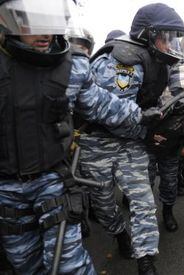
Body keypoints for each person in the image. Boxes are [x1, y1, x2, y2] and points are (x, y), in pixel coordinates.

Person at [0, 0, 150, 274]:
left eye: (51, 21)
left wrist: (144, 116)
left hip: (52, 181)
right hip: (6, 191)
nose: (45, 32)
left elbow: (104, 105)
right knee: (26, 266)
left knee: (70, 266)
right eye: (34, 21)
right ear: (10, 19)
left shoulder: (72, 68)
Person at [78, 3, 184, 274]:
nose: (171, 44)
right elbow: (105, 111)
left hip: (132, 144)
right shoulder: (121, 60)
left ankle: (146, 259)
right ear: (148, 35)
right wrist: (147, 125)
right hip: (98, 142)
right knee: (103, 205)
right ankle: (119, 233)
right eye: (166, 37)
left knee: (143, 201)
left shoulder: (159, 62)